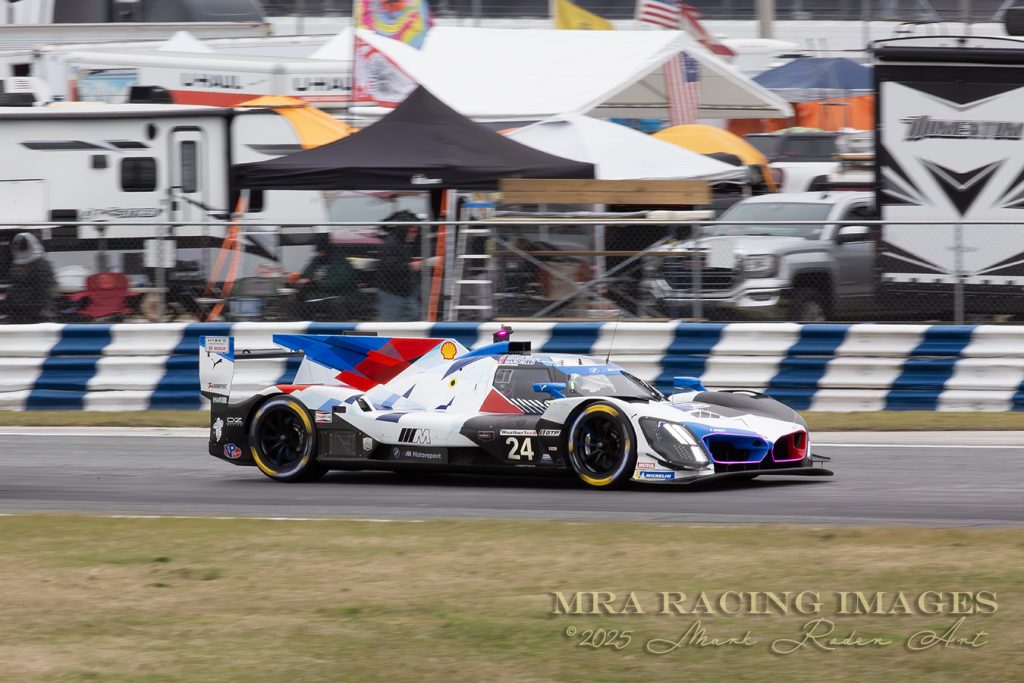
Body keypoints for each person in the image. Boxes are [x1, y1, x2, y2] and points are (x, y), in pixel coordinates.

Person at [288, 234, 363, 321]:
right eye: (318, 252)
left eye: (321, 252)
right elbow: (304, 276)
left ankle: (339, 328)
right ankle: (305, 327)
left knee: (336, 303)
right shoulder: (315, 261)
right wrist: (302, 282)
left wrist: (315, 283)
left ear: (328, 251)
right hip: (315, 298)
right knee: (291, 304)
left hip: (336, 297)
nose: (319, 254)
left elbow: (339, 282)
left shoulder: (341, 263)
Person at [1, 232, 56, 323]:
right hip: (18, 308)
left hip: (36, 310)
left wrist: (41, 309)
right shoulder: (17, 263)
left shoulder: (40, 264)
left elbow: (45, 288)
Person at [377, 210, 422, 321]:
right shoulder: (391, 244)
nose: (414, 234)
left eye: (416, 231)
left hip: (406, 291)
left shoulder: (404, 244)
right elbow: (391, 267)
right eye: (412, 230)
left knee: (414, 317)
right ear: (404, 230)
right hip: (391, 292)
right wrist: (411, 266)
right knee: (390, 323)